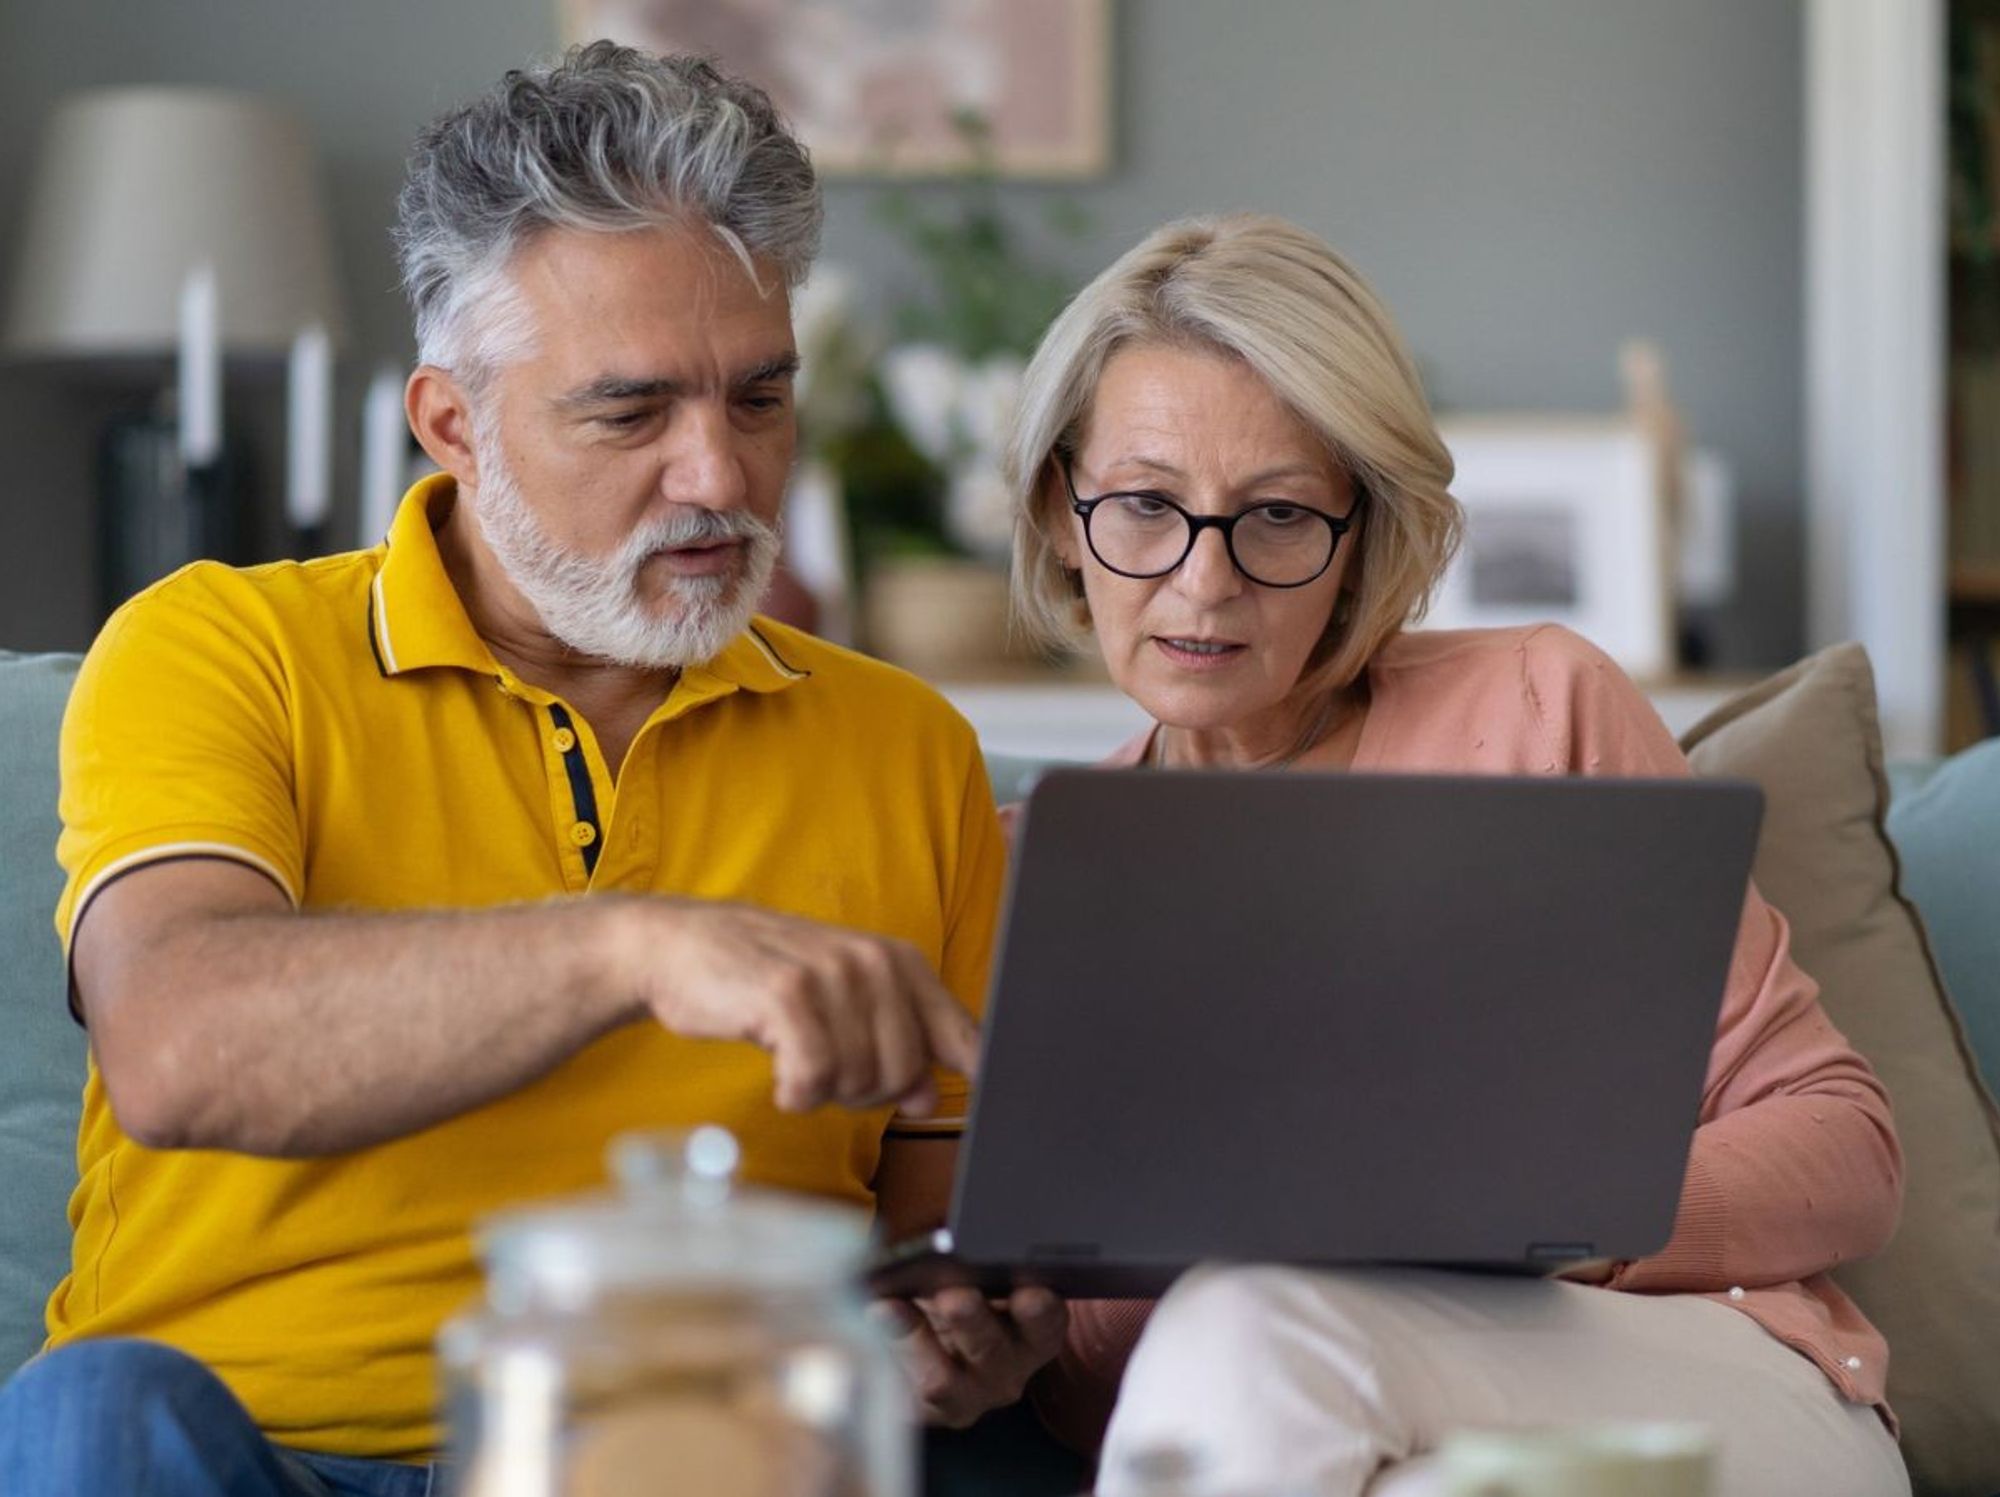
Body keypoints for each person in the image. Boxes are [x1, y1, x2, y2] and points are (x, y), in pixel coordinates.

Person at [0, 45, 1062, 1496]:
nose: (719, 476)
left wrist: (959, 1335)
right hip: (253, 1451)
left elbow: (933, 1229)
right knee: (89, 1415)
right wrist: (630, 947)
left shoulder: (901, 745)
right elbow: (181, 1048)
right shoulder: (220, 647)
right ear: (452, 422)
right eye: (631, 413)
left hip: (671, 1446)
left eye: (759, 399)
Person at [993, 213, 1911, 1497]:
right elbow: (1122, 1406)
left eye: (1274, 518)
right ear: (1058, 506)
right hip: (1318, 1423)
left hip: (1696, 1371)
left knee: (1255, 1324)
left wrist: (1534, 1219)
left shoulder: (1536, 708)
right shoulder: (1030, 870)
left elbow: (1847, 1148)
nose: (1202, 585)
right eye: (1144, 506)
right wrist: (1024, 1336)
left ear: (1359, 531)